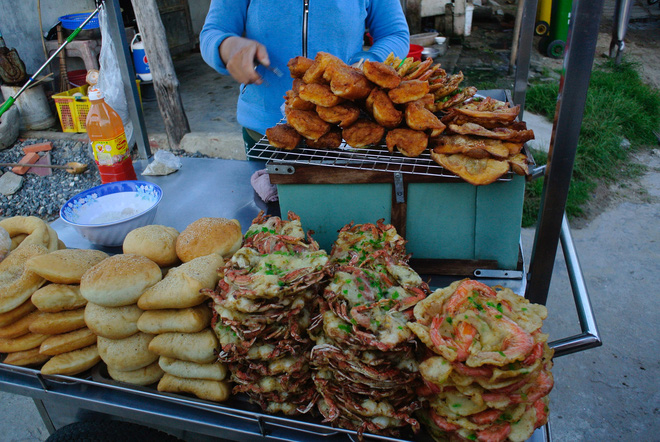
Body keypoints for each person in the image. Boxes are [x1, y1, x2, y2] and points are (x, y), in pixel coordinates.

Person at [199, 0, 410, 152]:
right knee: (269, 211)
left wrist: (366, 64)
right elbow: (213, 31)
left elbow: (395, 33)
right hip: (266, 129)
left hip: (344, 129)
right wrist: (226, 47)